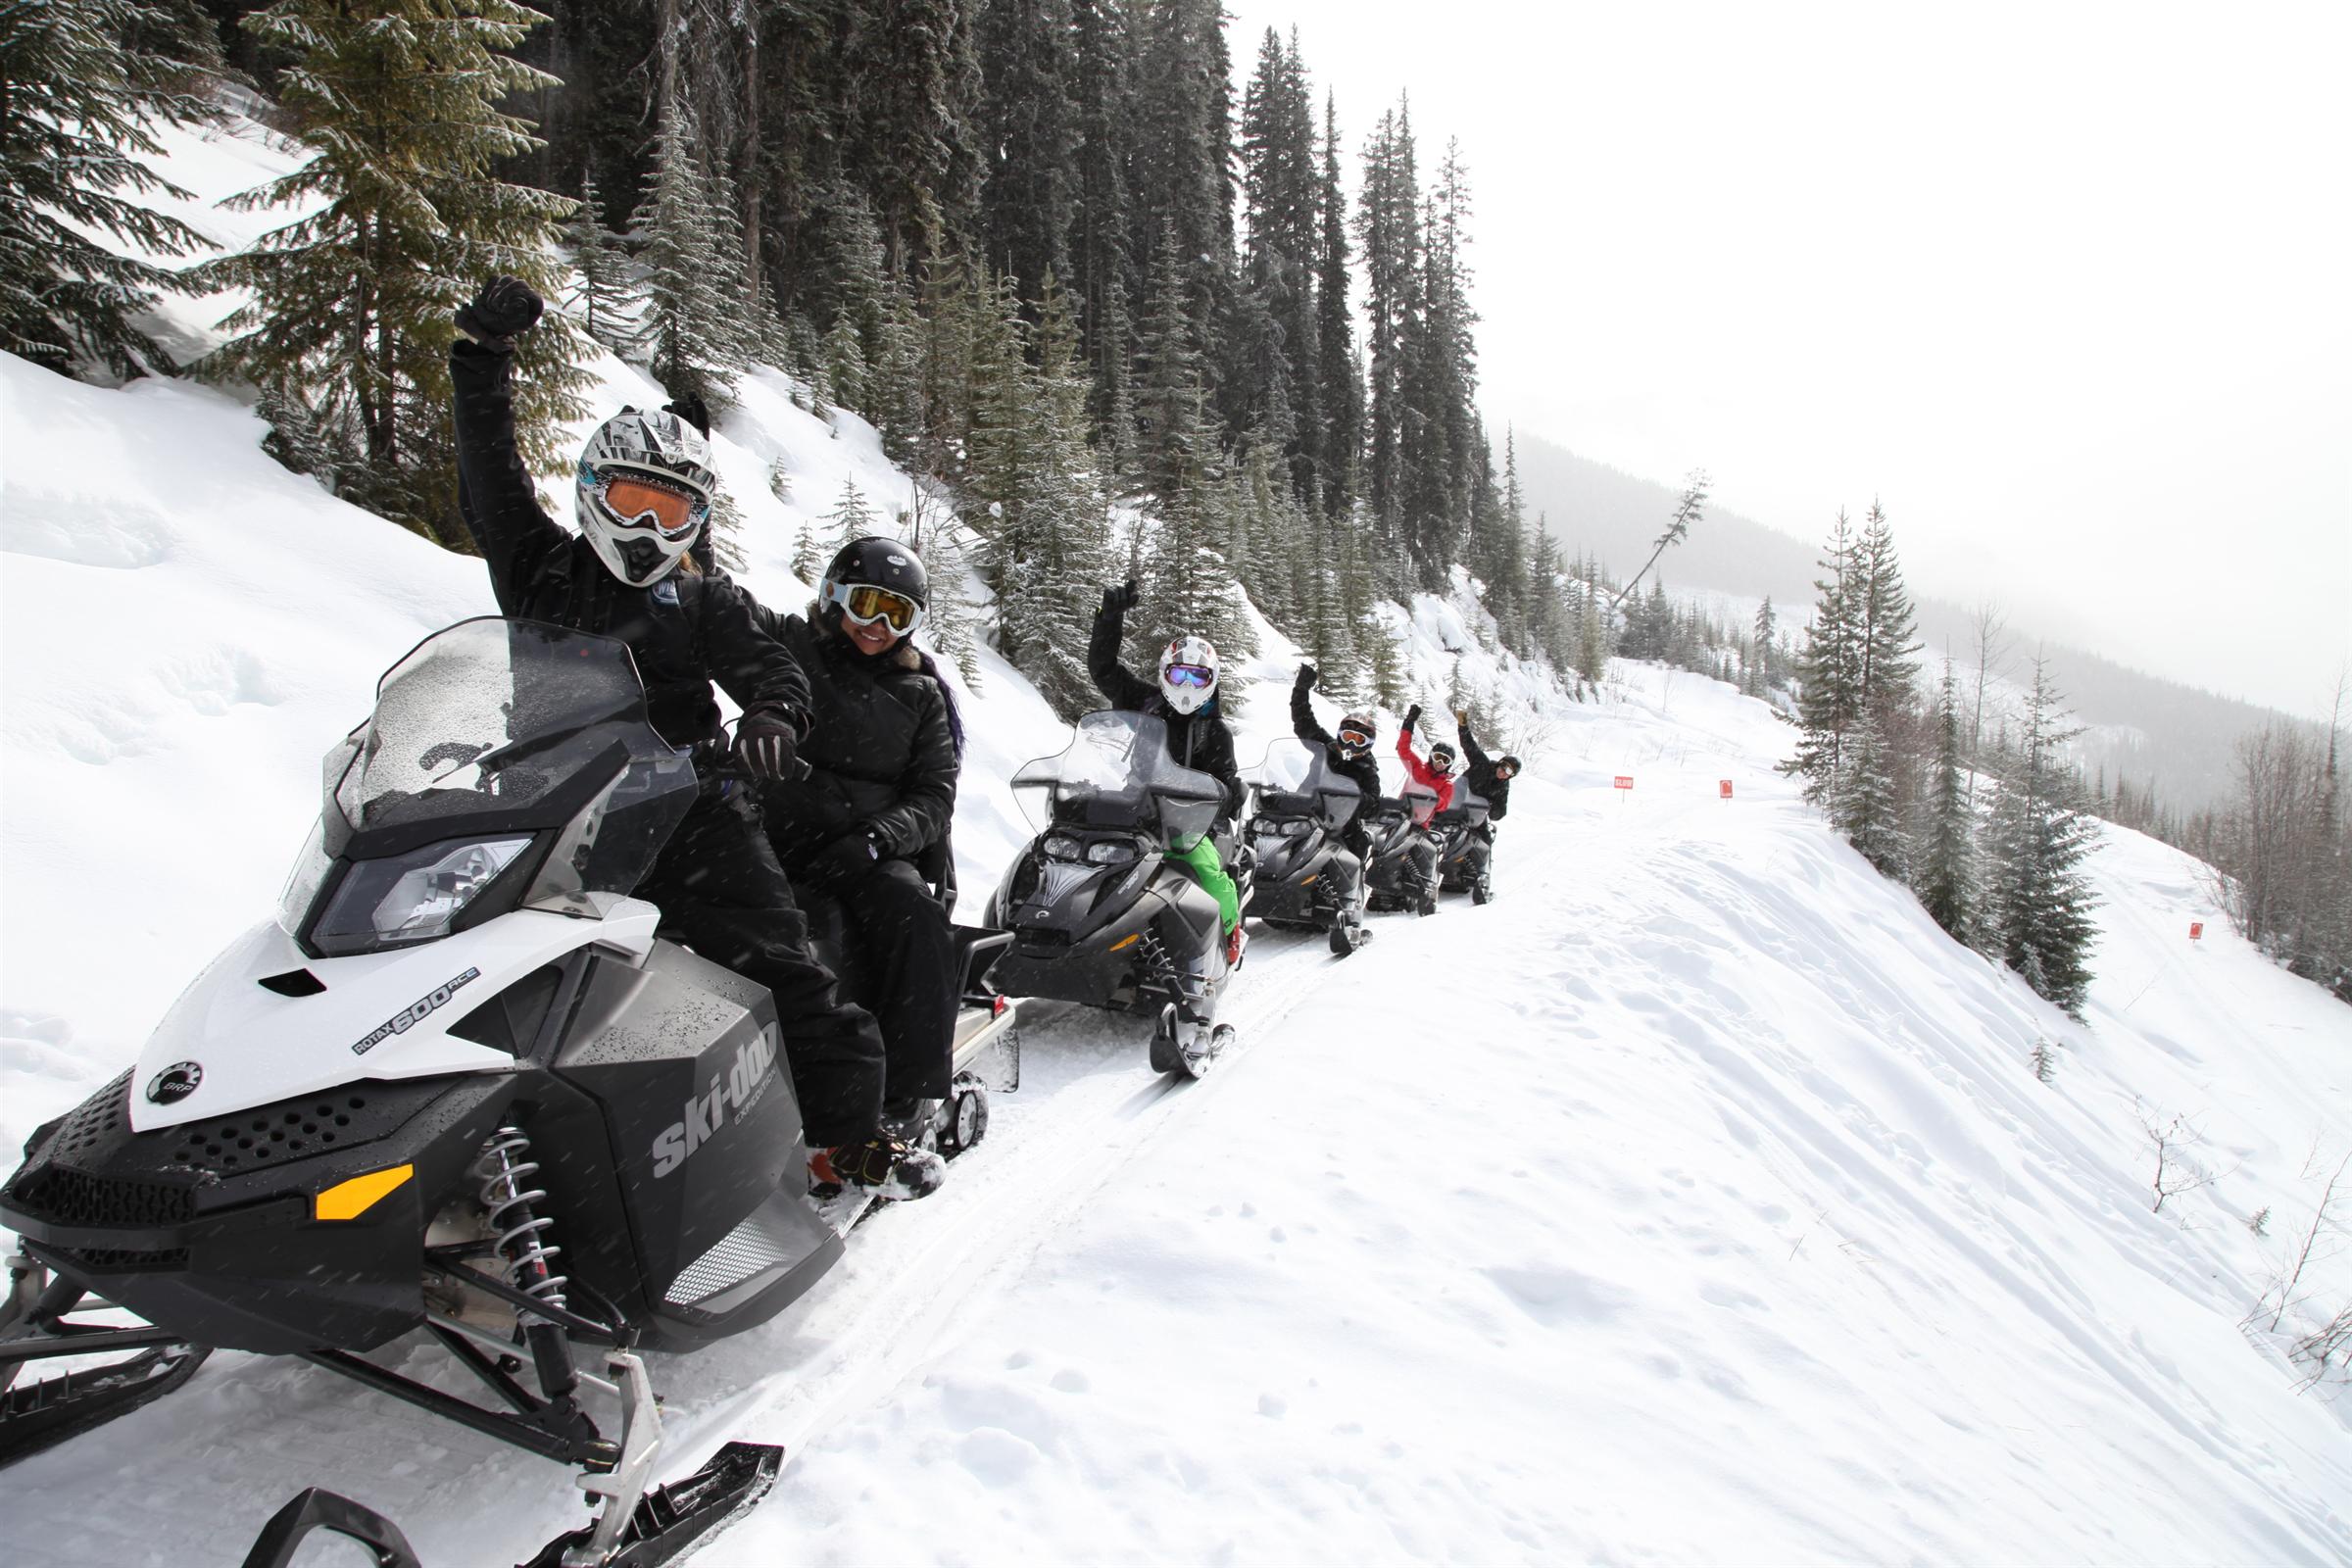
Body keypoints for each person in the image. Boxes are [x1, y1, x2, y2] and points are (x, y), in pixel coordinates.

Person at [448, 274, 941, 1201]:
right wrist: (483, 358)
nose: (644, 526)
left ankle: (848, 1134)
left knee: (781, 965)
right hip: (547, 809)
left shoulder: (698, 597)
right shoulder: (537, 564)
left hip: (682, 810)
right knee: (446, 960)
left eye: (670, 511)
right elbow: (488, 473)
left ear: (697, 524)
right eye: (631, 498)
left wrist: (770, 718)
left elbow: (772, 668)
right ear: (592, 491)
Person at [748, 537, 961, 1128]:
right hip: (769, 834)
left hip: (865, 852)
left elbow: (933, 797)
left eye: (898, 614)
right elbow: (723, 609)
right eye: (867, 604)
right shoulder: (791, 645)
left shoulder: (921, 695)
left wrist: (873, 840)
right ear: (834, 597)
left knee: (912, 911)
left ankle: (903, 1095)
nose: (878, 626)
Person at [1088, 577, 1246, 963]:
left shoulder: (1216, 731)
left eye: (1197, 677)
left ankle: (1230, 932)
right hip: (1135, 814)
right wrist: (1109, 618)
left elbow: (1224, 787)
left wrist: (1215, 805)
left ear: (1211, 681)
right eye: (1179, 675)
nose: (1187, 685)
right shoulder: (1145, 703)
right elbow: (1103, 669)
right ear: (1165, 674)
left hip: (1187, 830)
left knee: (1211, 877)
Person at [1289, 662, 1381, 907]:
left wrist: (1358, 800)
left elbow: (1374, 801)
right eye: (1347, 736)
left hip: (1342, 823)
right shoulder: (1327, 747)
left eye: (1358, 739)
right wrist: (1301, 689)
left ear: (1367, 743)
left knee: (1359, 843)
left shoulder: (1368, 768)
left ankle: (1351, 904)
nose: (1350, 743)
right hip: (1308, 810)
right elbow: (1303, 722)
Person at [1394, 705, 1455, 916]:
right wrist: (1409, 723)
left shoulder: (1446, 785)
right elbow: (1403, 749)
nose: (1439, 763)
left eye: (1445, 761)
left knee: (1427, 851)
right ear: (1431, 756)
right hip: (1399, 817)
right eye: (1437, 757)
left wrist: (1432, 801)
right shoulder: (1417, 767)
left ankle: (1427, 891)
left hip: (1421, 824)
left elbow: (1444, 803)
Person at [1452, 708, 1520, 897]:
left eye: (1509, 772)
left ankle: (1483, 878)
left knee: (1486, 841)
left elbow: (1499, 812)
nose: (1503, 772)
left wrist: (1493, 809)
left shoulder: (1503, 787)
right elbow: (1469, 745)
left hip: (1475, 816)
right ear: (1500, 763)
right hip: (1455, 806)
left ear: (1511, 776)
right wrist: (1462, 725)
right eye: (1504, 767)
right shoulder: (1482, 764)